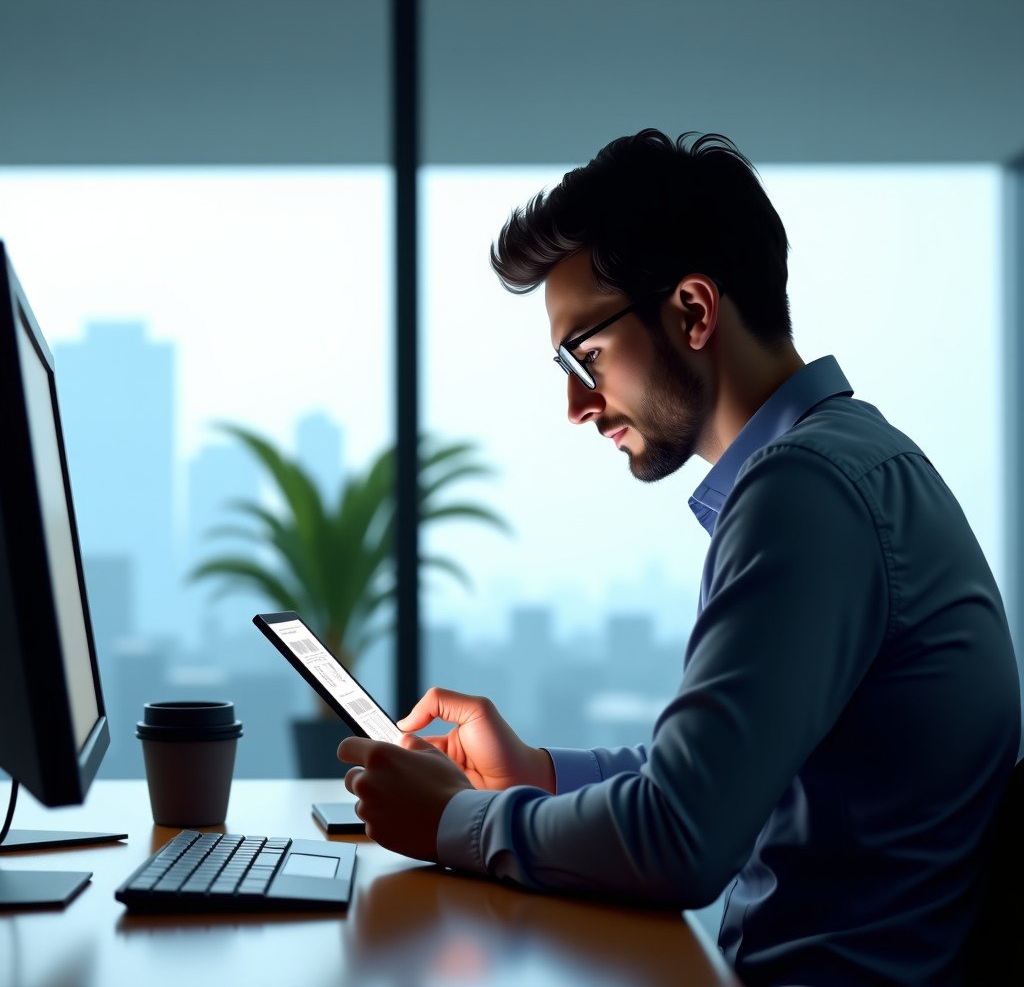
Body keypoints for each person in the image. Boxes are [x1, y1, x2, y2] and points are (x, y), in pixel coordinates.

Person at [339, 129, 1021, 986]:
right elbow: (713, 778)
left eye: (584, 357)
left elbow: (682, 838)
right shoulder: (850, 465)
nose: (576, 405)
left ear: (694, 312)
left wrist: (458, 822)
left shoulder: (805, 494)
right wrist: (538, 776)